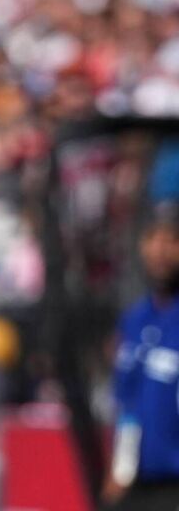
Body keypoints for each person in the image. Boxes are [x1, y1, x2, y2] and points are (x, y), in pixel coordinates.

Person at [105, 204, 179, 511]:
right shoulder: (135, 320)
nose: (159, 251)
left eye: (171, 240)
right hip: (138, 483)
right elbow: (128, 404)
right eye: (152, 239)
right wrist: (121, 470)